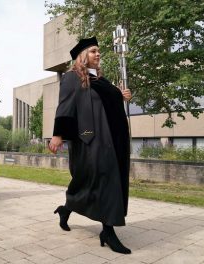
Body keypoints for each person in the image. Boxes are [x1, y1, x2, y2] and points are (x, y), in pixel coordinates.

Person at [48, 37, 133, 254]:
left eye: (98, 51)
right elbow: (65, 106)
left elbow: (106, 105)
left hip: (112, 140)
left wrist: (121, 96)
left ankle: (66, 210)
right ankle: (108, 231)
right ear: (82, 56)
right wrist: (57, 135)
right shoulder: (72, 78)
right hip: (90, 138)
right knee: (102, 180)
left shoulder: (101, 80)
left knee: (96, 181)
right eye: (93, 51)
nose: (98, 54)